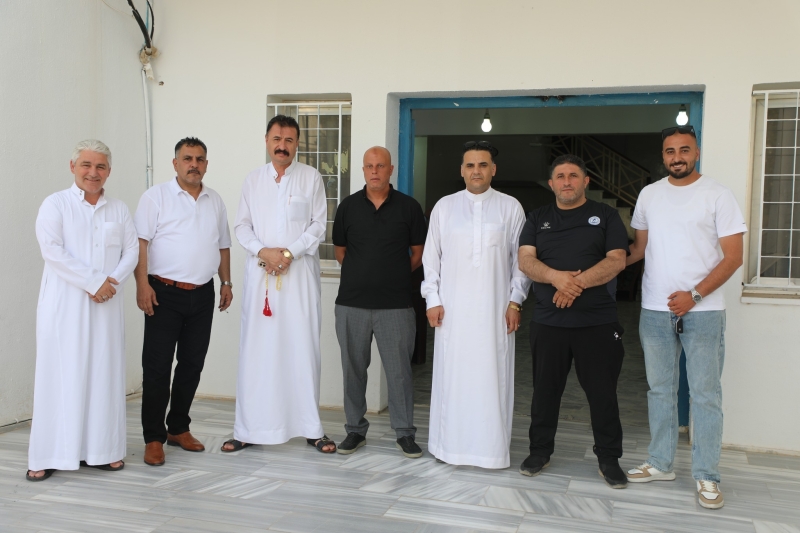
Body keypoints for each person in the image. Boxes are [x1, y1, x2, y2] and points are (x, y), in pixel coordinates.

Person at [625, 125, 746, 509]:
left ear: (696, 153)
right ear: (663, 156)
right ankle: (661, 463)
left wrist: (694, 296)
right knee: (660, 390)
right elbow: (638, 250)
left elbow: (734, 257)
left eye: (684, 150)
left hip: (703, 311)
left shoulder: (718, 194)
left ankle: (707, 475)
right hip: (654, 310)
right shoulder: (649, 194)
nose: (677, 157)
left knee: (705, 395)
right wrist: (592, 268)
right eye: (670, 151)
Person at [27, 140, 138, 481]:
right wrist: (94, 282)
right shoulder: (55, 204)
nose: (93, 172)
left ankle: (102, 451)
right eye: (86, 165)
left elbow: (131, 252)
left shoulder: (119, 209)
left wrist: (110, 283)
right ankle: (48, 454)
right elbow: (52, 250)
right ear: (72, 166)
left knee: (103, 375)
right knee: (59, 375)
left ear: (109, 171)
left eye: (100, 166)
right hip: (65, 306)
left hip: (106, 305)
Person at [223, 115, 335, 454]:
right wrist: (265, 252)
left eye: (288, 140)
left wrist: (288, 253)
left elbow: (318, 225)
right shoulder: (253, 180)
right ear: (267, 141)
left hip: (299, 278)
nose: (282, 145)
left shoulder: (311, 177)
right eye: (276, 139)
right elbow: (241, 227)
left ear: (297, 143)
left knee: (302, 349)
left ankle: (311, 428)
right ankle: (248, 429)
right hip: (262, 279)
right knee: (257, 351)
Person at [517, 154, 630, 488]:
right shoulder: (537, 218)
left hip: (597, 322)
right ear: (551, 183)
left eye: (573, 175)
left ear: (585, 181)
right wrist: (556, 277)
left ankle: (609, 458)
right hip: (549, 322)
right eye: (560, 176)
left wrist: (574, 284)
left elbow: (617, 260)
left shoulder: (606, 215)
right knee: (544, 392)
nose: (567, 182)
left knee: (603, 394)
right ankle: (539, 451)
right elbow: (525, 260)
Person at [421, 141, 530, 468]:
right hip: (452, 314)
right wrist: (432, 298)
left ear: (493, 169)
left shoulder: (510, 207)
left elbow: (521, 262)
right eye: (470, 165)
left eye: (483, 165)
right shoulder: (445, 207)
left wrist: (515, 301)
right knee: (452, 380)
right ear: (462, 170)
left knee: (492, 380)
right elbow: (431, 259)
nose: (476, 171)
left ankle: (491, 452)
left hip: (495, 314)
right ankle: (448, 447)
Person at [133, 137, 233, 466]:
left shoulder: (214, 200)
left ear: (206, 164)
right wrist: (142, 284)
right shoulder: (156, 197)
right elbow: (141, 243)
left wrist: (226, 282)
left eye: (200, 159)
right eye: (187, 158)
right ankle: (153, 437)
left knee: (192, 364)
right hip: (163, 292)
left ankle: (178, 427)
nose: (194, 164)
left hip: (203, 294)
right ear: (175, 163)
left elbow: (223, 246)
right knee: (157, 367)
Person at [332, 146, 427, 458]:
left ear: (390, 169)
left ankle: (405, 433)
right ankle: (355, 430)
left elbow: (418, 253)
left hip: (396, 305)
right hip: (351, 303)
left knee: (399, 372)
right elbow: (341, 252)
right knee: (353, 370)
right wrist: (363, 274)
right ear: (363, 170)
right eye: (369, 166)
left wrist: (393, 274)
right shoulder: (347, 207)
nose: (375, 171)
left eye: (380, 166)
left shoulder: (409, 207)